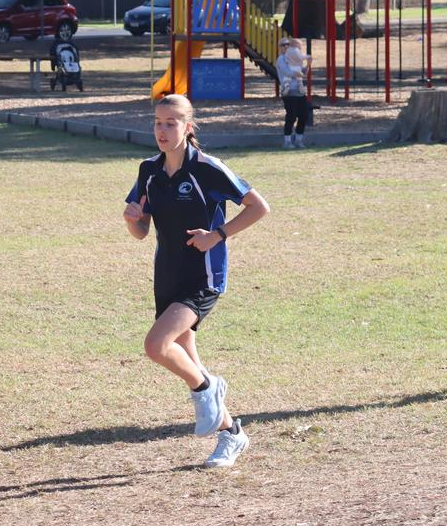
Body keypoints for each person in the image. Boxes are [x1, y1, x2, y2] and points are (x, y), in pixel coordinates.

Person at [123, 94, 271, 466]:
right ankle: (231, 434)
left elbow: (259, 207)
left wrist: (217, 235)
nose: (162, 130)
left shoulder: (207, 168)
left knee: (156, 345)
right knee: (187, 358)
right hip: (167, 275)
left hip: (203, 276)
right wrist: (132, 220)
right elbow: (141, 231)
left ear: (188, 127)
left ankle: (208, 387)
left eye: (171, 123)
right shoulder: (148, 170)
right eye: (157, 122)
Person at [276, 37, 310, 149]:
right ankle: (287, 141)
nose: (286, 46)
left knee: (304, 115)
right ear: (280, 48)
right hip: (289, 92)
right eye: (283, 45)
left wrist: (308, 65)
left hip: (299, 91)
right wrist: (298, 73)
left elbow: (303, 72)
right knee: (291, 116)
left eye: (288, 45)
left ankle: (299, 139)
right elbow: (287, 72)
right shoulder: (281, 59)